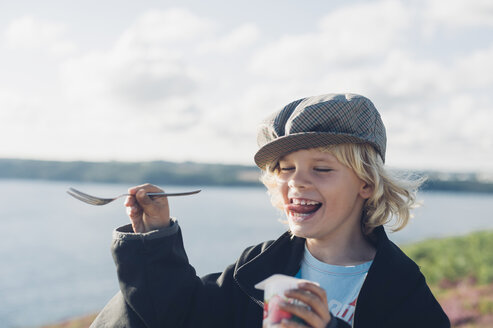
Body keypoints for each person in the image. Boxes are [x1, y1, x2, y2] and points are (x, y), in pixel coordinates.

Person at [91, 93, 450, 328]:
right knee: (125, 308)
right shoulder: (259, 264)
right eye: (285, 168)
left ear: (366, 184)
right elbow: (179, 316)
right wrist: (155, 236)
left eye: (321, 169)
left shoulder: (403, 290)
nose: (297, 182)